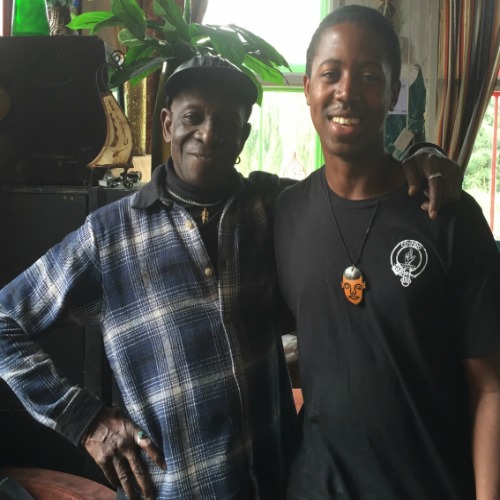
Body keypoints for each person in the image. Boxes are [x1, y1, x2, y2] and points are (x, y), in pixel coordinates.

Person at [0, 53, 461, 500]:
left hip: (276, 483)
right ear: (168, 125)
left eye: (226, 122)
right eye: (193, 117)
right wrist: (84, 420)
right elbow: (5, 322)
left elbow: (355, 188)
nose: (208, 132)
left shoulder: (274, 206)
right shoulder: (108, 236)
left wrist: (423, 155)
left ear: (243, 136)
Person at [274, 5, 500, 500]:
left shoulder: (448, 216)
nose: (347, 91)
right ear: (308, 87)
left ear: (394, 92)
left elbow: (490, 387)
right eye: (331, 74)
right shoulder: (281, 214)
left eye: (369, 76)